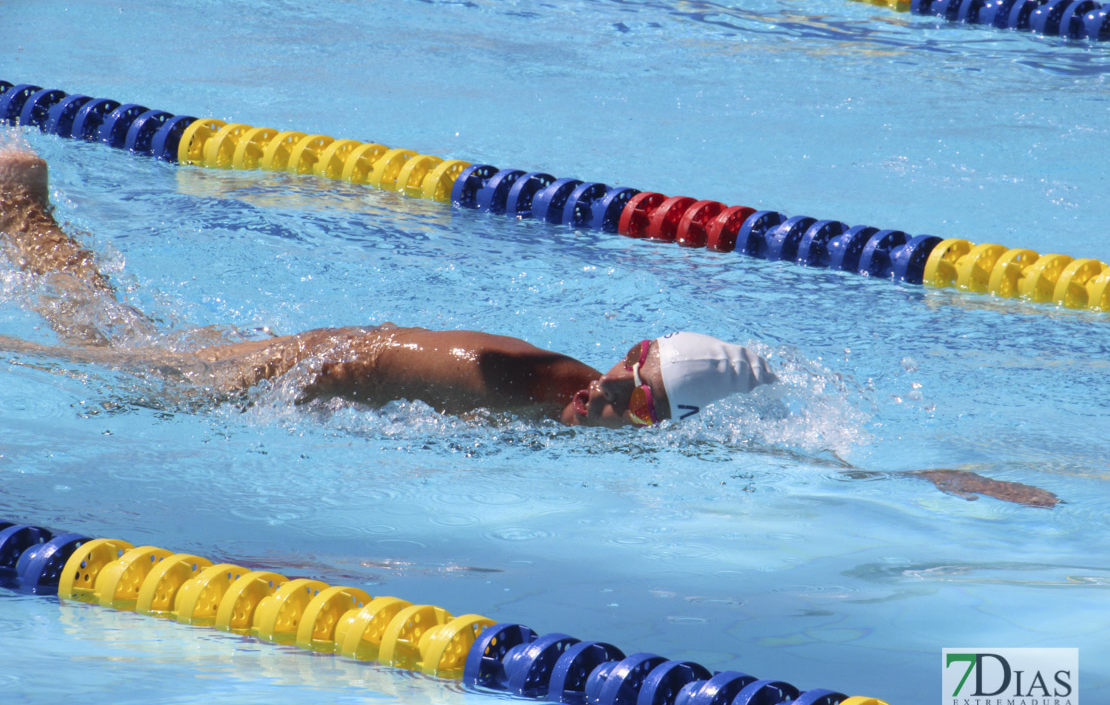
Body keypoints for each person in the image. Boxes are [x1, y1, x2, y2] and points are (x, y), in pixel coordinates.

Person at [0, 146, 1059, 507]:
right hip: (311, 364)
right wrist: (283, 391)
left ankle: (29, 215)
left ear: (660, 421)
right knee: (100, 353)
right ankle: (23, 210)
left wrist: (933, 479)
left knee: (117, 332)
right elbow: (371, 356)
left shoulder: (613, 419)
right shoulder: (525, 378)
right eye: (626, 361)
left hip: (326, 370)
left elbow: (783, 454)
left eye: (635, 389)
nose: (608, 384)